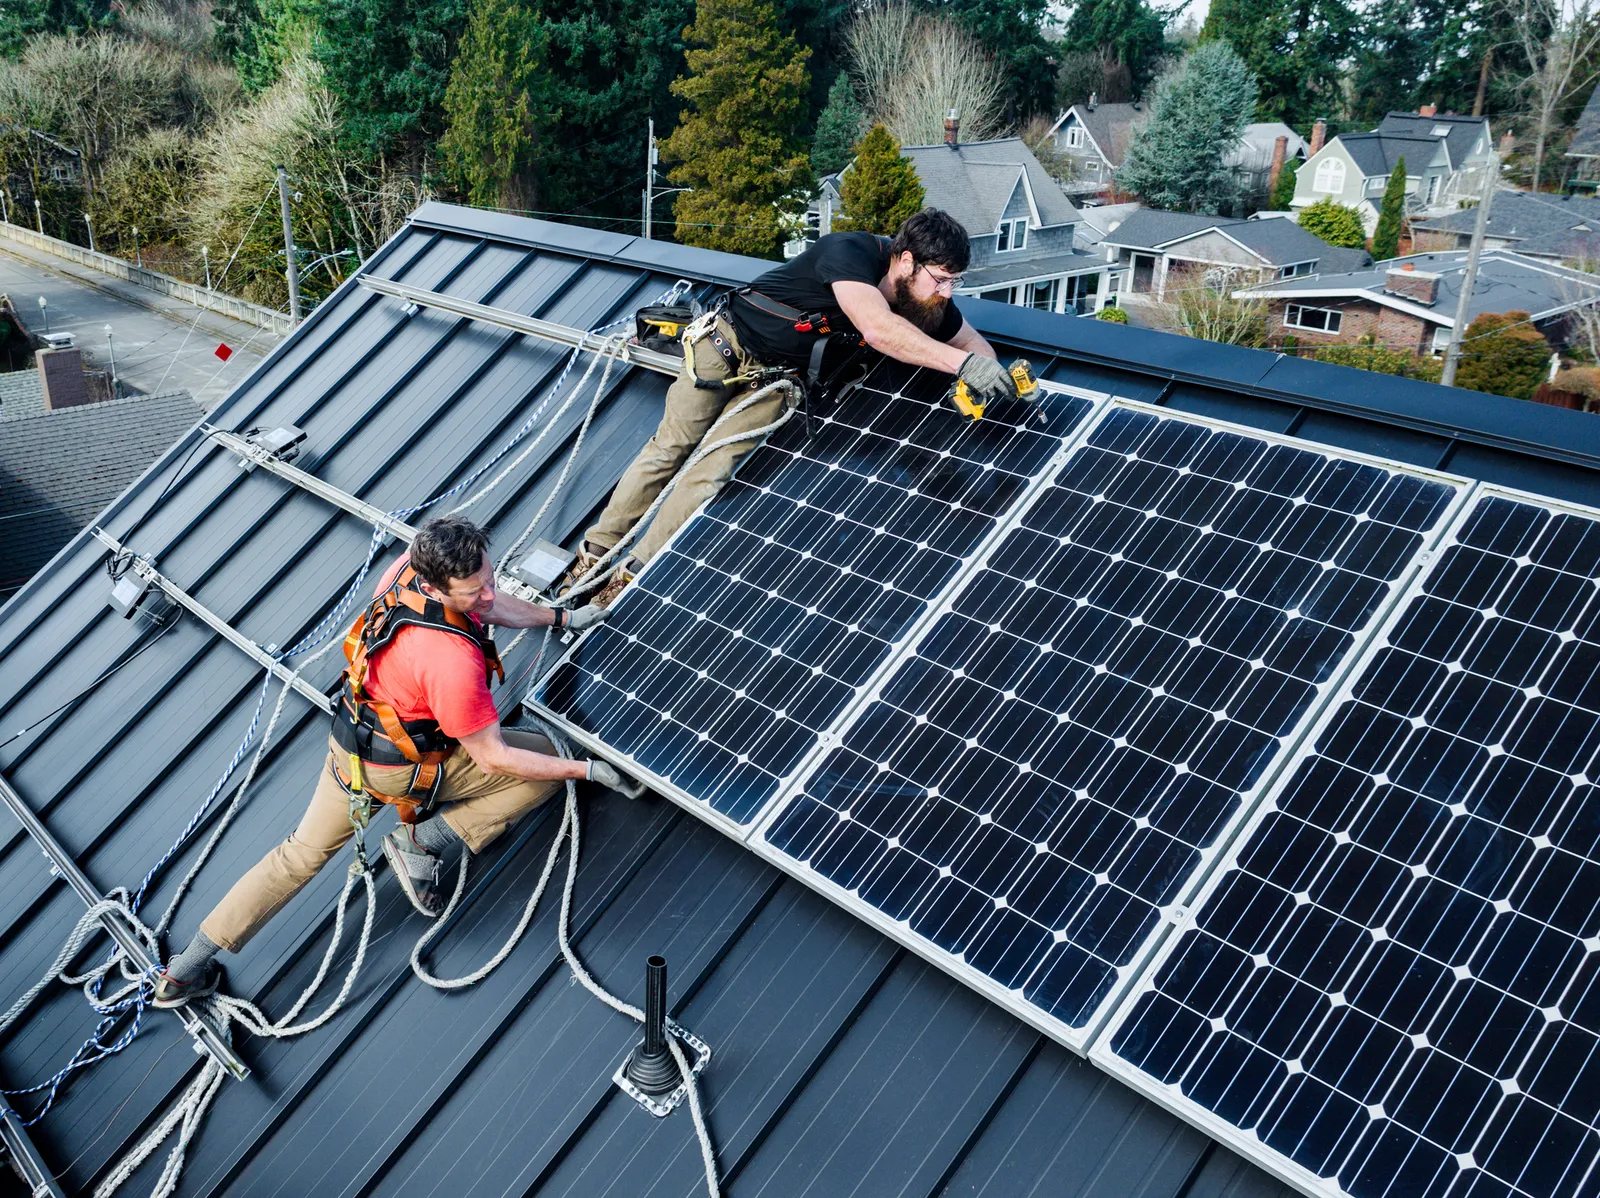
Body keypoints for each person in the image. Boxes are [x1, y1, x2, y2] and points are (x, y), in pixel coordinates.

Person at [153, 516, 635, 1007]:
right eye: (473, 594)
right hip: (407, 765)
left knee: (297, 856)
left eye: (489, 580)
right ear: (434, 584)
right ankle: (420, 840)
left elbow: (489, 605)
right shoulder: (451, 663)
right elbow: (493, 758)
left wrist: (559, 618)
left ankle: (185, 971)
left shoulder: (410, 569)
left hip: (351, 750)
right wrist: (588, 770)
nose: (487, 596)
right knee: (546, 765)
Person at [573, 207, 1023, 606]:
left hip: (774, 382)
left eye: (954, 282)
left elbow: (968, 341)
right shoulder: (849, 253)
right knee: (671, 448)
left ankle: (631, 575)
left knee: (708, 472)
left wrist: (993, 373)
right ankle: (593, 556)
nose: (946, 292)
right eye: (940, 279)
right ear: (906, 260)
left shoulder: (921, 299)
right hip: (725, 346)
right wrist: (961, 364)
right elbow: (878, 328)